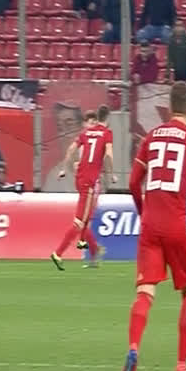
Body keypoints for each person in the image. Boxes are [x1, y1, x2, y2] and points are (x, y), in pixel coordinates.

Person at [121, 82, 186, 371]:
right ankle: (181, 367)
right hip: (176, 226)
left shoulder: (151, 136)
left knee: (145, 292)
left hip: (150, 225)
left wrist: (143, 212)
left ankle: (133, 348)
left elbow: (133, 183)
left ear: (169, 106)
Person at [50, 106, 117, 270]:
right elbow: (108, 154)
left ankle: (94, 253)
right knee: (80, 222)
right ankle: (58, 253)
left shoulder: (85, 133)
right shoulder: (106, 133)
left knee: (85, 220)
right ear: (108, 119)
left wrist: (64, 169)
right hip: (91, 182)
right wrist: (112, 174)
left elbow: (71, 149)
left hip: (80, 180)